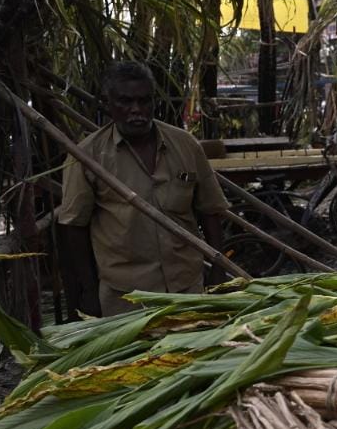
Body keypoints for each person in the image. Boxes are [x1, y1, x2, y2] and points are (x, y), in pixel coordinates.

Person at [57, 61, 229, 317]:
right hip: (125, 297)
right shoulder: (88, 156)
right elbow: (74, 227)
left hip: (186, 288)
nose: (136, 110)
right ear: (108, 103)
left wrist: (218, 269)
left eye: (144, 101)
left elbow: (210, 210)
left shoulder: (185, 145)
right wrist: (89, 291)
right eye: (125, 102)